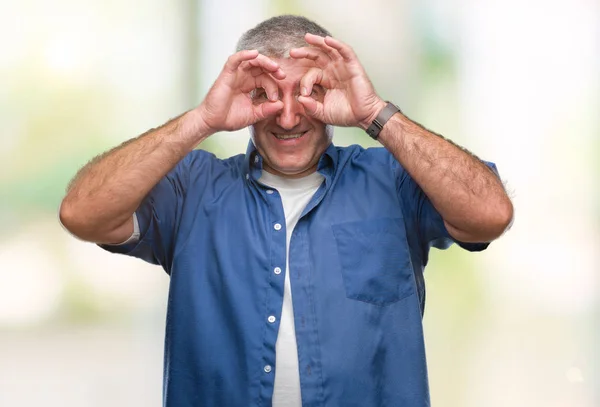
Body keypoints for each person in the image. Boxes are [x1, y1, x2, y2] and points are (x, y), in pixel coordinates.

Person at [59, 15, 513, 407]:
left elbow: (490, 213)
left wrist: (374, 112)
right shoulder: (191, 188)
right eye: (265, 95)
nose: (289, 116)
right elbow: (83, 214)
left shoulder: (392, 180)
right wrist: (202, 119)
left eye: (309, 91)